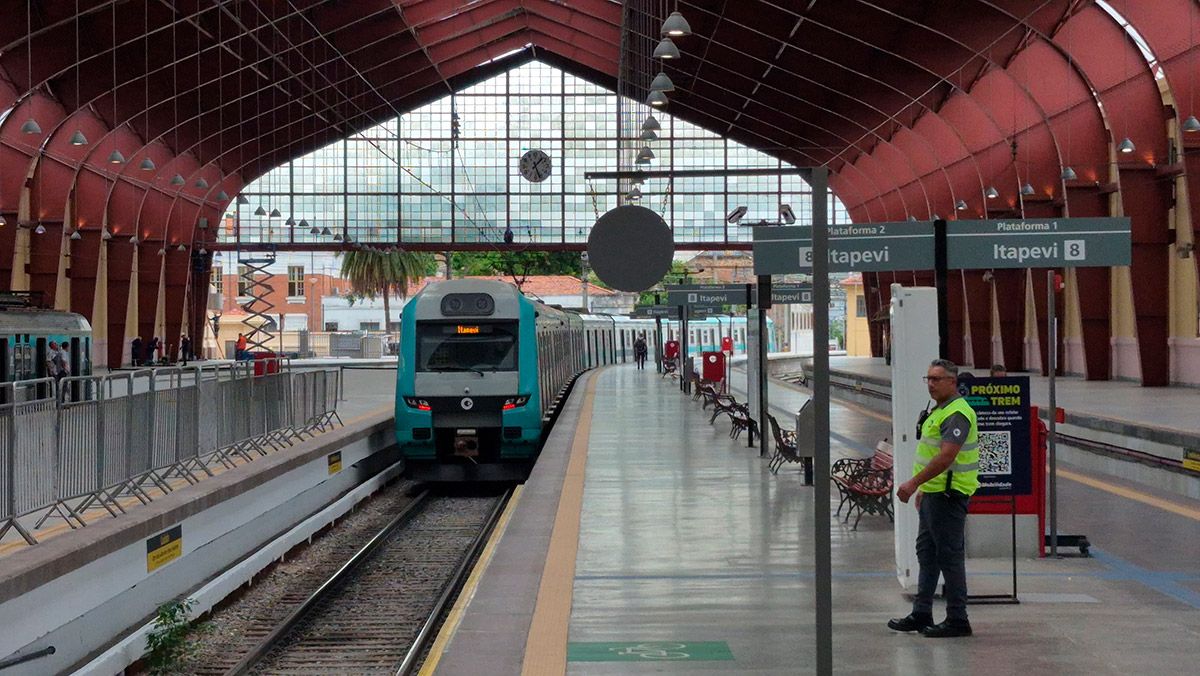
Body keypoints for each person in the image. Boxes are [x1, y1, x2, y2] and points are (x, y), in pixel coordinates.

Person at [889, 358, 979, 638]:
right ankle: (921, 612)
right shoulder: (938, 410)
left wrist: (914, 483)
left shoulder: (957, 413)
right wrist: (925, 489)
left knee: (949, 557)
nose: (930, 384)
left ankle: (958, 619)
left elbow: (946, 456)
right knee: (927, 554)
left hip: (948, 496)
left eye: (936, 379)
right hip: (933, 494)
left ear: (952, 382)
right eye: (928, 378)